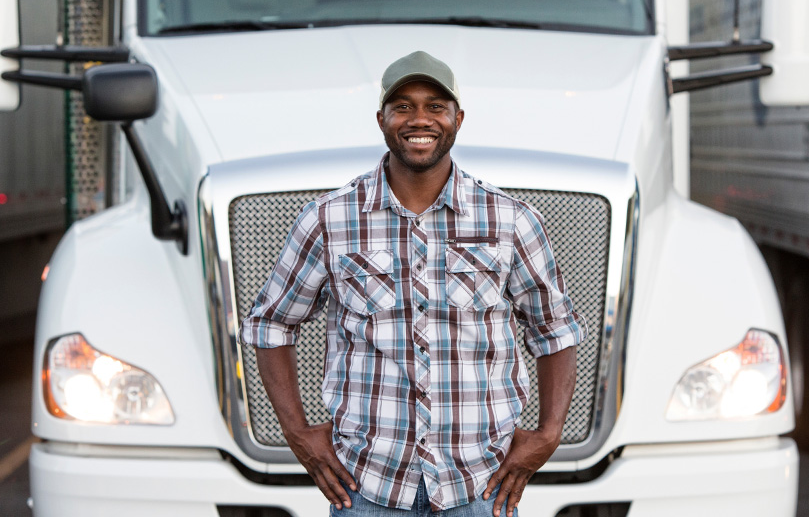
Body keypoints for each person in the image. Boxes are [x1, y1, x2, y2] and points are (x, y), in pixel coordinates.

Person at [242, 51, 585, 517]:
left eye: (435, 106)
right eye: (402, 106)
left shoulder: (511, 221)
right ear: (381, 120)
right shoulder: (330, 218)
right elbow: (270, 325)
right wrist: (297, 433)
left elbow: (555, 328)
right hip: (366, 487)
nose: (419, 119)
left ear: (458, 118)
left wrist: (549, 433)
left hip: (481, 487)